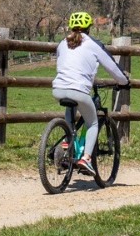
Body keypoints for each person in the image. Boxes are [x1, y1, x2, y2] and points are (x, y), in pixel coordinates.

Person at [52, 10, 131, 173]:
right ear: (89, 28)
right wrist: (124, 82)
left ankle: (68, 140)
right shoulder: (93, 44)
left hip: (58, 89)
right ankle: (86, 158)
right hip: (79, 90)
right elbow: (112, 67)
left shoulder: (62, 44)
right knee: (93, 123)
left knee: (70, 106)